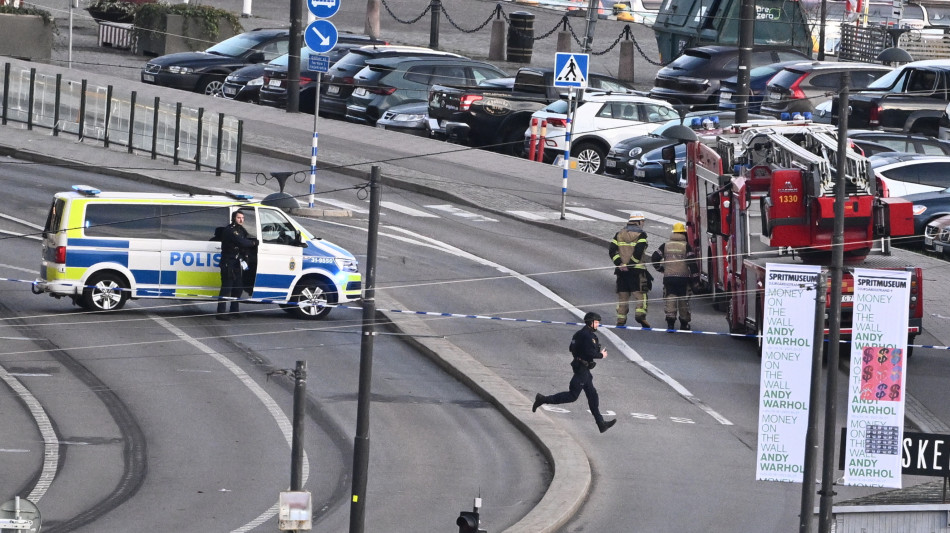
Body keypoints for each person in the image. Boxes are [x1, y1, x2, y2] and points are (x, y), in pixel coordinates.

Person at [532, 312, 617, 433]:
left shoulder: (579, 334)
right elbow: (590, 353)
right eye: (596, 322)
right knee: (572, 396)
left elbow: (571, 348)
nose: (598, 324)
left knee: (592, 395)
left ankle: (601, 423)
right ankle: (542, 399)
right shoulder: (588, 336)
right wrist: (601, 355)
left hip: (582, 368)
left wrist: (579, 356)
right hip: (582, 369)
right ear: (590, 322)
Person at [651, 222, 699, 331]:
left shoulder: (665, 245)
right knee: (683, 301)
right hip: (683, 279)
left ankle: (670, 324)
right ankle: (684, 324)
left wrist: (661, 269)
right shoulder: (686, 246)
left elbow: (654, 258)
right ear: (683, 233)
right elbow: (692, 264)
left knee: (670, 299)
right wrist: (696, 280)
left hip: (669, 278)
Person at [608, 212, 652, 328]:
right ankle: (640, 315)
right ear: (639, 222)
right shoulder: (641, 235)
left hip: (621, 271)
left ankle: (621, 320)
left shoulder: (619, 234)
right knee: (640, 295)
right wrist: (630, 265)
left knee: (623, 295)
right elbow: (638, 252)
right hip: (637, 272)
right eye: (643, 221)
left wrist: (620, 264)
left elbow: (612, 251)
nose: (643, 224)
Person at [216, 210, 257, 319]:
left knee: (238, 288)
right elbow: (243, 242)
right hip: (228, 264)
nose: (241, 220)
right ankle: (220, 313)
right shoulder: (230, 230)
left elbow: (245, 240)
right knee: (226, 289)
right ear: (234, 218)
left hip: (237, 263)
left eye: (243, 218)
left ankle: (234, 310)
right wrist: (254, 243)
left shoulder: (241, 230)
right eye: (239, 218)